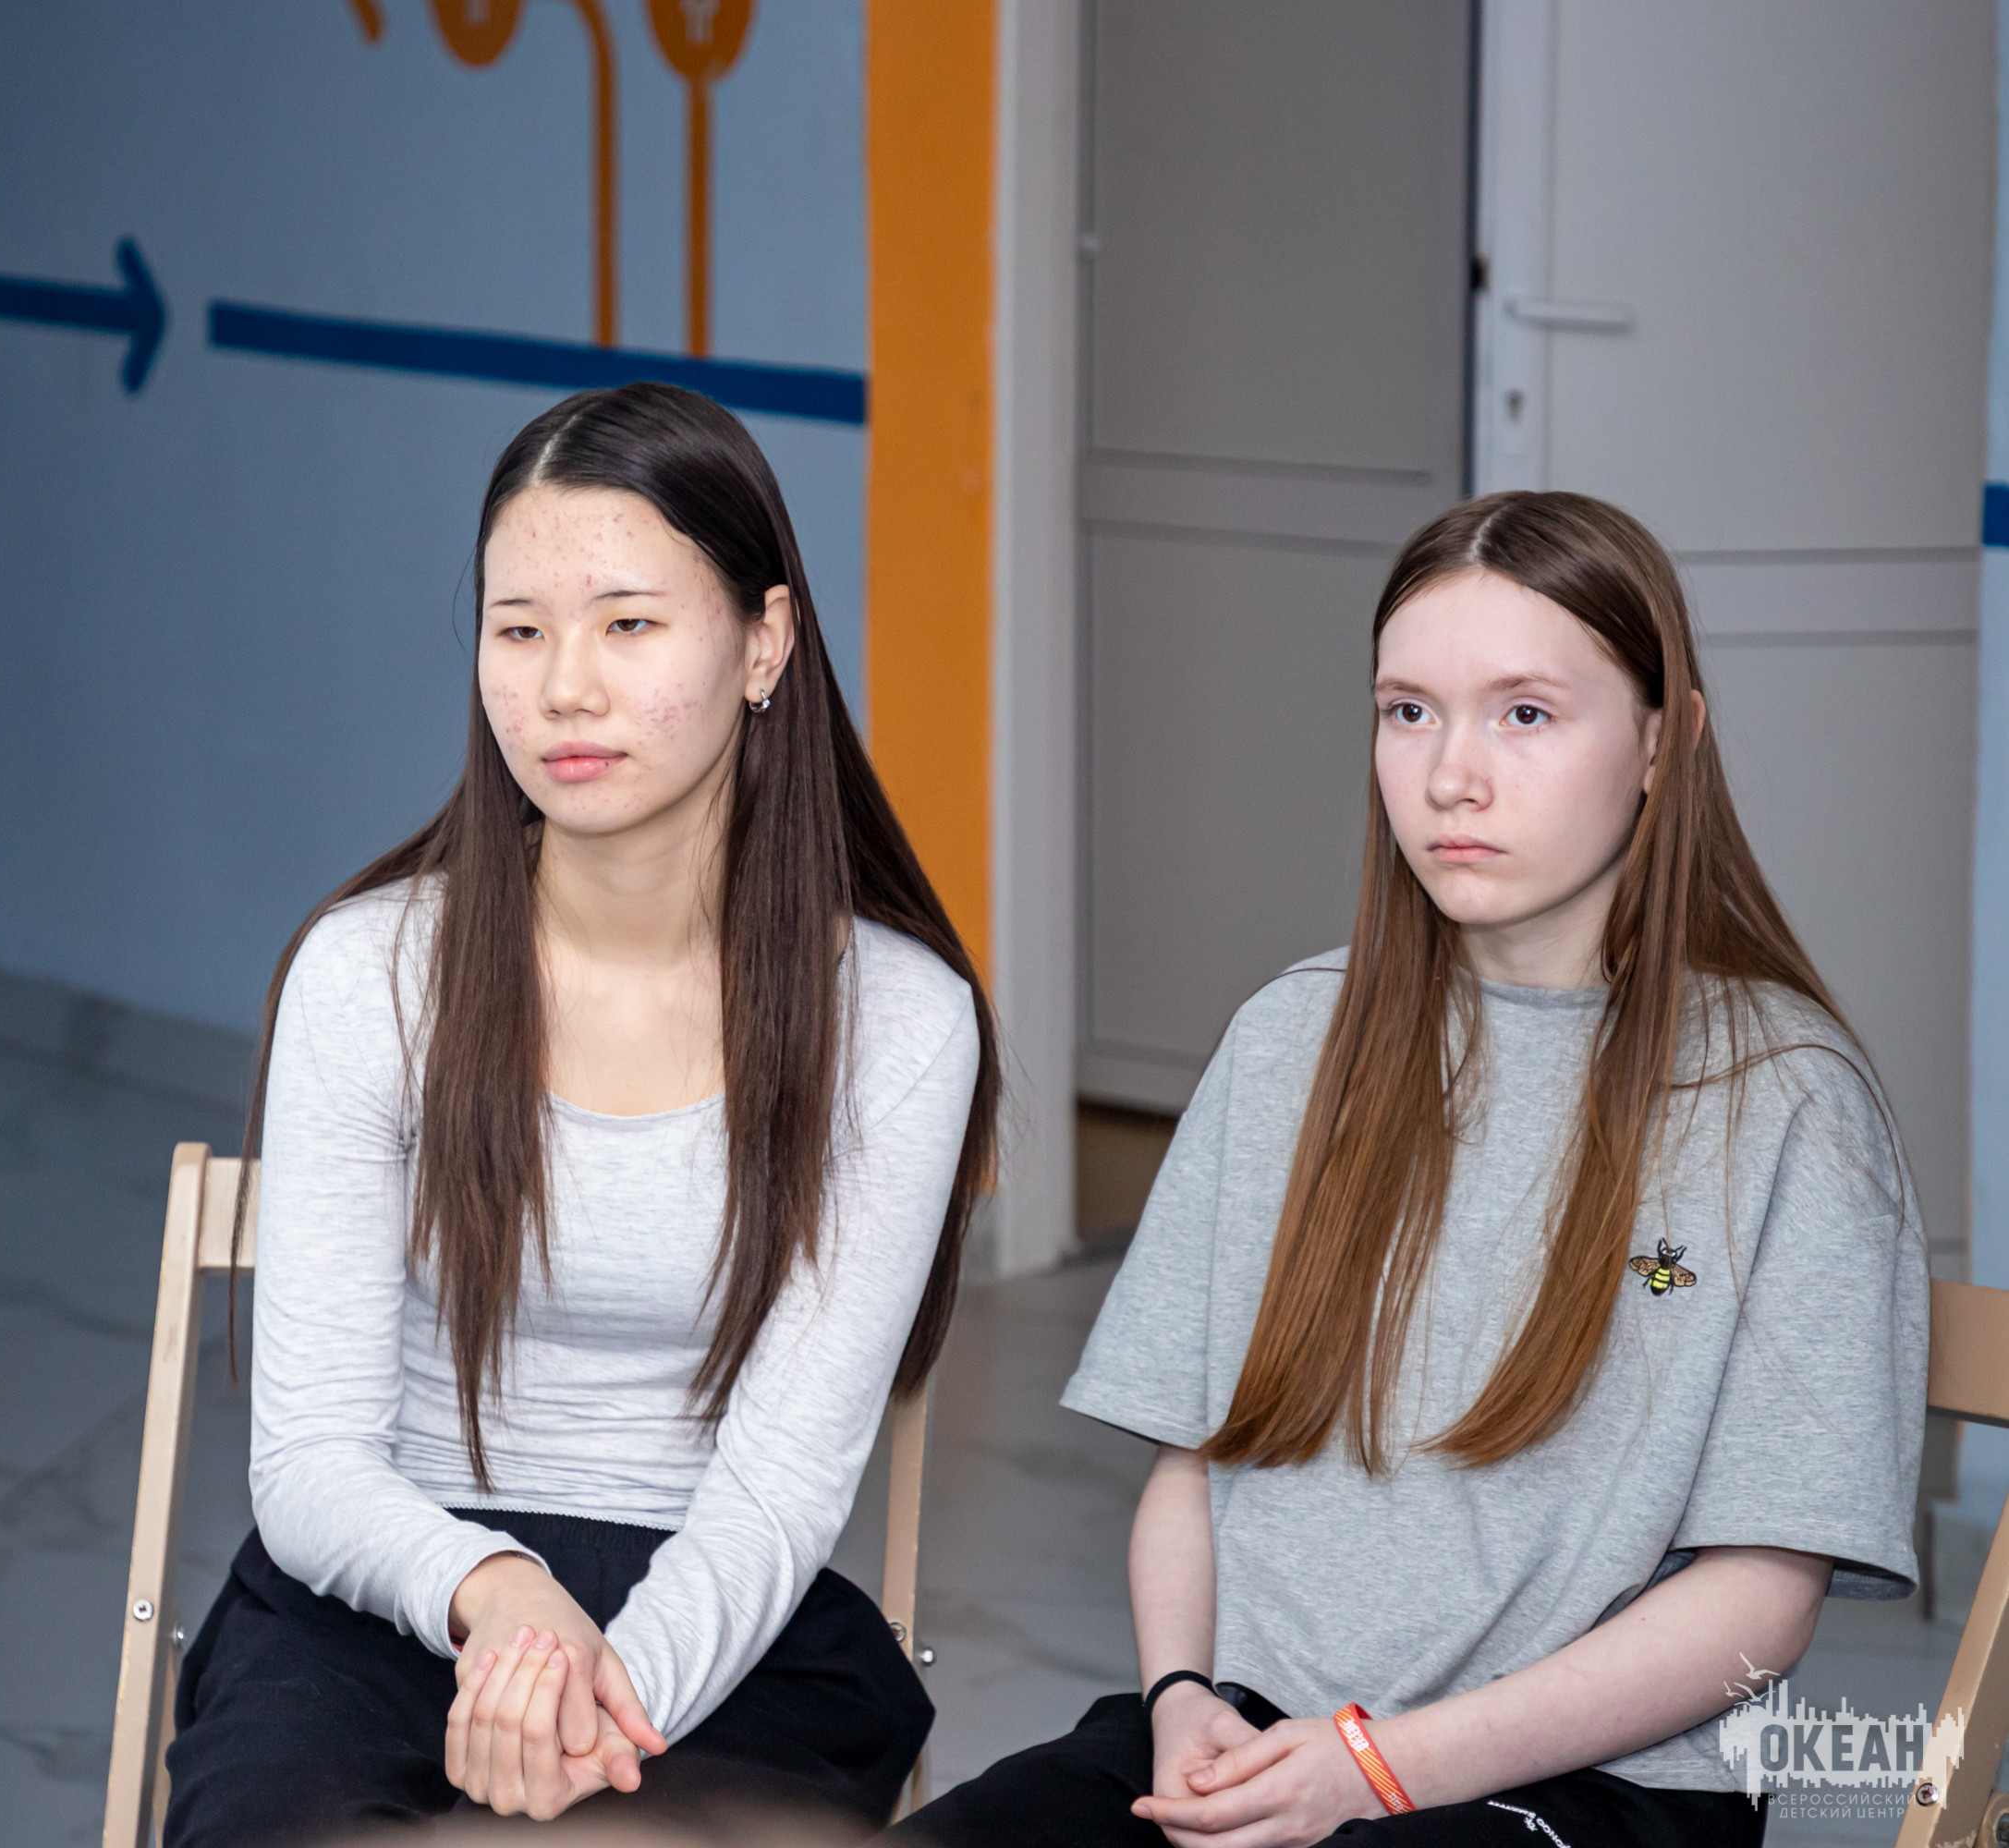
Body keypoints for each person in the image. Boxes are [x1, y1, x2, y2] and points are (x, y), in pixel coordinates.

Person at [893, 491, 1927, 1848]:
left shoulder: (1784, 1100)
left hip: (1594, 1791)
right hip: (1253, 1734)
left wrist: (1377, 1769)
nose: (1452, 777)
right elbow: (1196, 1473)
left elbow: (1760, 1606)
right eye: (1409, 711)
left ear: (1662, 741)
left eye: (1526, 714)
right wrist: (1180, 1698)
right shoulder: (1290, 1041)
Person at [164, 382, 1000, 1846]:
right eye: (519, 630)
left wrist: (602, 1697)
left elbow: (776, 1493)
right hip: (395, 1587)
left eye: (628, 624)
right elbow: (310, 1464)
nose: (564, 689)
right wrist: (500, 1596)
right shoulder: (372, 974)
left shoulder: (897, 1021)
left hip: (722, 1628)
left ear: (765, 642)